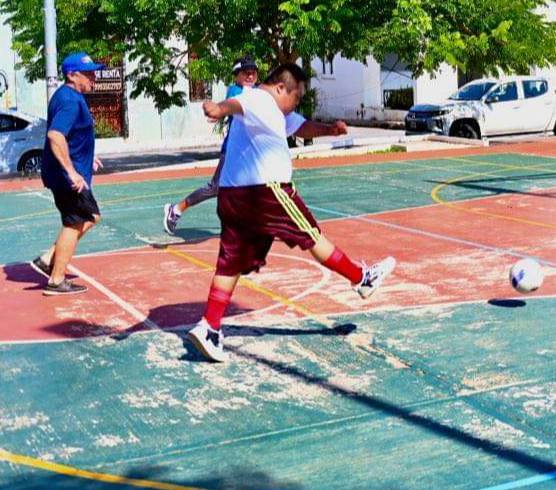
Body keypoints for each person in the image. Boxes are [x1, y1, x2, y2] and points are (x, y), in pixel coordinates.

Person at [185, 63, 396, 363]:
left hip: (233, 196)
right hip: (266, 191)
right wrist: (218, 109)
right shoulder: (258, 99)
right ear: (282, 88)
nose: (297, 103)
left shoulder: (278, 111)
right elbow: (235, 105)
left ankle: (209, 326)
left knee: (229, 262)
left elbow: (299, 126)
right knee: (311, 235)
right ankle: (361, 278)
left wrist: (329, 130)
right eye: (297, 96)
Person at [31, 53, 105, 296]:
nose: (94, 77)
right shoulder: (70, 100)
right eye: (89, 73)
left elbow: (71, 135)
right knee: (76, 223)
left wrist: (86, 154)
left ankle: (48, 259)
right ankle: (56, 279)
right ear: (72, 75)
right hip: (67, 177)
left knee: (88, 218)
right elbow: (56, 135)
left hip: (65, 172)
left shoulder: (68, 96)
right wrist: (72, 171)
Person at [163, 57, 260, 235]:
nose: (250, 76)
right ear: (237, 75)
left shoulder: (258, 93)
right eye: (246, 73)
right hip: (232, 150)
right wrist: (219, 111)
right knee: (215, 188)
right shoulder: (235, 90)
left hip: (250, 152)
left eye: (253, 72)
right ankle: (176, 209)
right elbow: (235, 103)